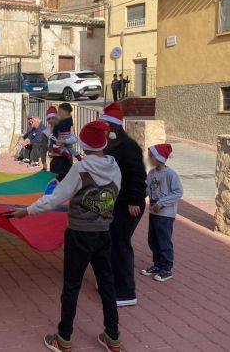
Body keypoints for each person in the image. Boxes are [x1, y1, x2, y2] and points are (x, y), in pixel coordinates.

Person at [10, 120, 123, 352]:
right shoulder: (115, 167)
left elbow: (56, 198)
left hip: (80, 235)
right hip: (103, 233)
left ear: (83, 143)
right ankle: (112, 336)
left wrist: (27, 211)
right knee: (107, 285)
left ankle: (64, 338)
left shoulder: (81, 169)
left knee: (72, 286)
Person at [100, 102, 147, 307]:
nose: (103, 129)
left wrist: (134, 200)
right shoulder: (111, 145)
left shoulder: (129, 147)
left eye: (105, 125)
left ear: (114, 127)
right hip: (114, 201)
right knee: (110, 242)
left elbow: (138, 175)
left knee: (120, 244)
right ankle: (112, 283)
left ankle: (126, 292)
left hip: (128, 204)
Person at [141, 143, 183, 282]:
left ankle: (166, 268)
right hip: (154, 213)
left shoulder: (170, 175)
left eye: (150, 157)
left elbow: (178, 192)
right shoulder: (152, 173)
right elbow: (147, 189)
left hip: (165, 215)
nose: (149, 159)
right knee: (153, 239)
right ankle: (157, 265)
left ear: (159, 158)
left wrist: (161, 203)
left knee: (164, 240)